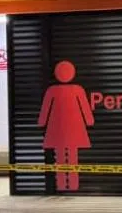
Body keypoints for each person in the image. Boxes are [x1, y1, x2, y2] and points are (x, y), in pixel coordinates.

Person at [38, 60, 95, 192]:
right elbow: (85, 107)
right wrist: (89, 120)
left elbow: (45, 109)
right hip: (74, 128)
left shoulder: (52, 90)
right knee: (72, 157)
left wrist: (42, 121)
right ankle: (72, 185)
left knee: (60, 158)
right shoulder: (78, 89)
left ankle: (62, 184)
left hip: (57, 128)